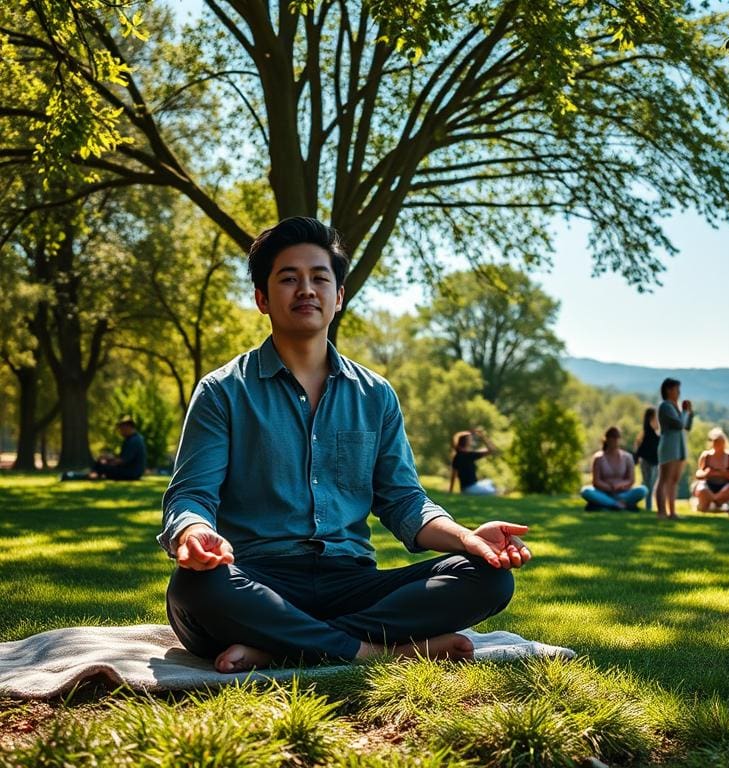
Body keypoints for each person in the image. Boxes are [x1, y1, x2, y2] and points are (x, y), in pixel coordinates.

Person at [158, 217, 531, 674]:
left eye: (320, 278)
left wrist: (466, 538)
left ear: (338, 298)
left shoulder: (375, 395)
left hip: (350, 580)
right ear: (262, 298)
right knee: (194, 588)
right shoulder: (222, 392)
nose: (306, 290)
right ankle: (373, 651)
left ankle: (282, 647)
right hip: (257, 578)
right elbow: (191, 494)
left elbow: (404, 500)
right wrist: (193, 533)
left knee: (488, 579)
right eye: (289, 278)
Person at [580, 426, 647, 510]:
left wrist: (619, 485)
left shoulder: (627, 457)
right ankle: (615, 504)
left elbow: (631, 480)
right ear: (607, 439)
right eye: (613, 437)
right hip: (603, 492)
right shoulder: (598, 458)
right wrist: (609, 487)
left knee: (643, 490)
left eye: (617, 437)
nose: (615, 440)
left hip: (622, 492)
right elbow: (596, 481)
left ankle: (605, 504)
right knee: (586, 491)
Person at [61, 416, 147, 481]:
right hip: (131, 471)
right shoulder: (133, 439)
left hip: (131, 473)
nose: (120, 432)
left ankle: (78, 476)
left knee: (102, 466)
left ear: (128, 427)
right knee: (101, 465)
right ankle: (85, 475)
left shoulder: (134, 441)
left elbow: (123, 460)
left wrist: (108, 461)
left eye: (121, 429)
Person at [655, 378, 694, 519]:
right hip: (669, 446)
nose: (679, 393)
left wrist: (690, 412)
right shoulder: (665, 406)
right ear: (668, 390)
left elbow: (687, 426)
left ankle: (672, 512)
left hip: (679, 447)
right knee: (664, 479)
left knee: (674, 480)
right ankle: (661, 512)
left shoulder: (675, 407)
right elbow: (678, 425)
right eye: (677, 390)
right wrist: (684, 412)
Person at [693, 428, 729, 511]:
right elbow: (698, 474)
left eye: (720, 442)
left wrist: (721, 473)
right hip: (708, 485)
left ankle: (715, 501)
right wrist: (707, 473)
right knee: (701, 488)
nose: (718, 444)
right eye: (716, 442)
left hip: (725, 486)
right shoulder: (706, 456)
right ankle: (715, 503)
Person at [449, 429, 498, 495]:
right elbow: (491, 449)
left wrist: (450, 491)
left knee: (489, 482)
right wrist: (483, 436)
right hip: (472, 489)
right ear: (466, 442)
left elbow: (453, 476)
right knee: (493, 491)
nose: (472, 441)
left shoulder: (457, 456)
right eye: (470, 439)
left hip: (464, 489)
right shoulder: (469, 455)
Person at [633, 408, 660, 512]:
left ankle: (649, 506)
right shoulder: (648, 436)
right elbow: (640, 451)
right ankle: (648, 507)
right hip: (647, 463)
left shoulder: (653, 436)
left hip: (653, 463)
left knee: (650, 485)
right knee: (648, 485)